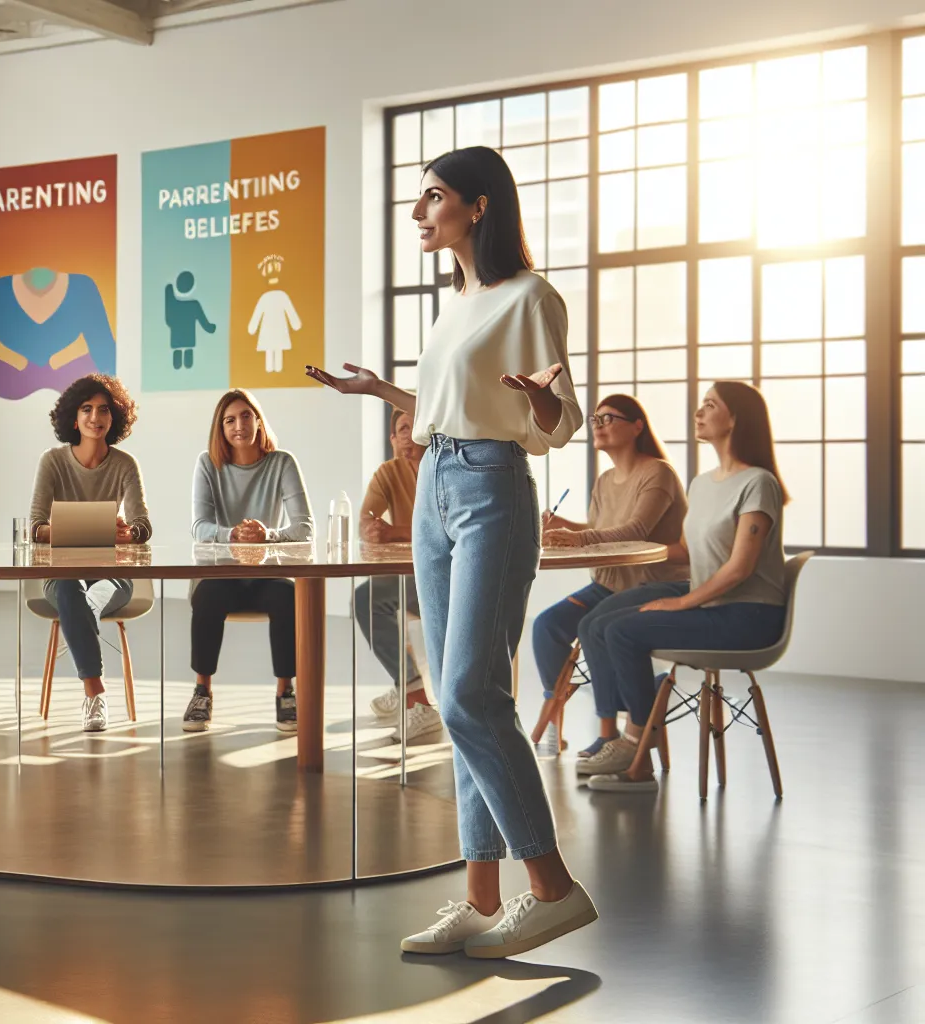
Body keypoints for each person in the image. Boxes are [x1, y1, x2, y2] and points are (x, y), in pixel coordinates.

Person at [309, 145, 597, 958]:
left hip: (490, 490)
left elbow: (558, 422)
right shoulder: (460, 297)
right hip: (433, 477)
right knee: (456, 692)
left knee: (469, 693)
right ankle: (478, 900)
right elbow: (450, 406)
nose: (418, 214)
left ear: (478, 205)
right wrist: (385, 395)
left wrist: (544, 402)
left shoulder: (530, 296)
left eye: (432, 198)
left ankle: (551, 889)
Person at [578, 383, 789, 791]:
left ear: (736, 420)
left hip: (748, 614)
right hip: (709, 599)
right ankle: (637, 720)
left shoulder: (758, 483)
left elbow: (740, 569)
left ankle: (636, 755)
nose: (699, 411)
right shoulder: (703, 483)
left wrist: (682, 603)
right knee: (597, 622)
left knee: (623, 631)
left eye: (710, 405)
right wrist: (629, 551)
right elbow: (683, 551)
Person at [532, 394, 687, 760]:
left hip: (650, 586)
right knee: (545, 627)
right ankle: (561, 705)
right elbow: (601, 529)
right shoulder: (604, 480)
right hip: (609, 584)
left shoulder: (657, 474)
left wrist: (578, 538)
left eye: (608, 418)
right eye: (595, 419)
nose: (598, 425)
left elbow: (635, 530)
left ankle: (608, 730)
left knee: (591, 626)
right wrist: (563, 527)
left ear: (637, 426)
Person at [30, 373, 152, 733]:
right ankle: (94, 692)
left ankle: (87, 608)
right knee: (70, 588)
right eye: (87, 409)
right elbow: (36, 529)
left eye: (103, 410)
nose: (95, 418)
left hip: (113, 574)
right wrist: (97, 529)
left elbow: (143, 526)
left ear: (114, 418)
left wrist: (128, 534)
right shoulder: (52, 461)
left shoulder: (125, 464)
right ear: (74, 417)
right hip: (61, 575)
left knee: (88, 594)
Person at [186, 389, 313, 734]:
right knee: (207, 597)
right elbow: (199, 528)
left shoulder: (281, 462)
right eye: (229, 420)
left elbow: (304, 527)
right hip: (221, 574)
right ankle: (202, 691)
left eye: (245, 416)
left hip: (266, 574)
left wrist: (266, 535)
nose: (238, 425)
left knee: (287, 597)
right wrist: (234, 535)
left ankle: (285, 691)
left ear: (258, 420)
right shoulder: (207, 464)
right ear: (221, 428)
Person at [354, 407, 436, 742]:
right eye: (402, 429)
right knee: (367, 597)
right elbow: (365, 521)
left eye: (416, 428)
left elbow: (446, 532)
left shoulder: (446, 470)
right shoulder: (387, 472)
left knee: (369, 599)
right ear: (392, 439)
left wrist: (395, 533)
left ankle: (417, 700)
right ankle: (408, 684)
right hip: (411, 575)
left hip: (448, 576)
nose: (409, 436)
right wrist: (373, 530)